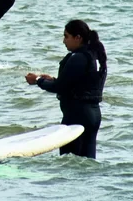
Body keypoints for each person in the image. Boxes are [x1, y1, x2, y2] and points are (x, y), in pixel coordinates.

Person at [25, 19, 107, 159]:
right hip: (93, 115)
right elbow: (79, 84)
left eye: (66, 36)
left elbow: (59, 88)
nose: (64, 41)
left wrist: (38, 80)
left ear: (78, 38)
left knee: (69, 162)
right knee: (88, 160)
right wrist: (52, 80)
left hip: (77, 116)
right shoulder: (92, 56)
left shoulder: (78, 58)